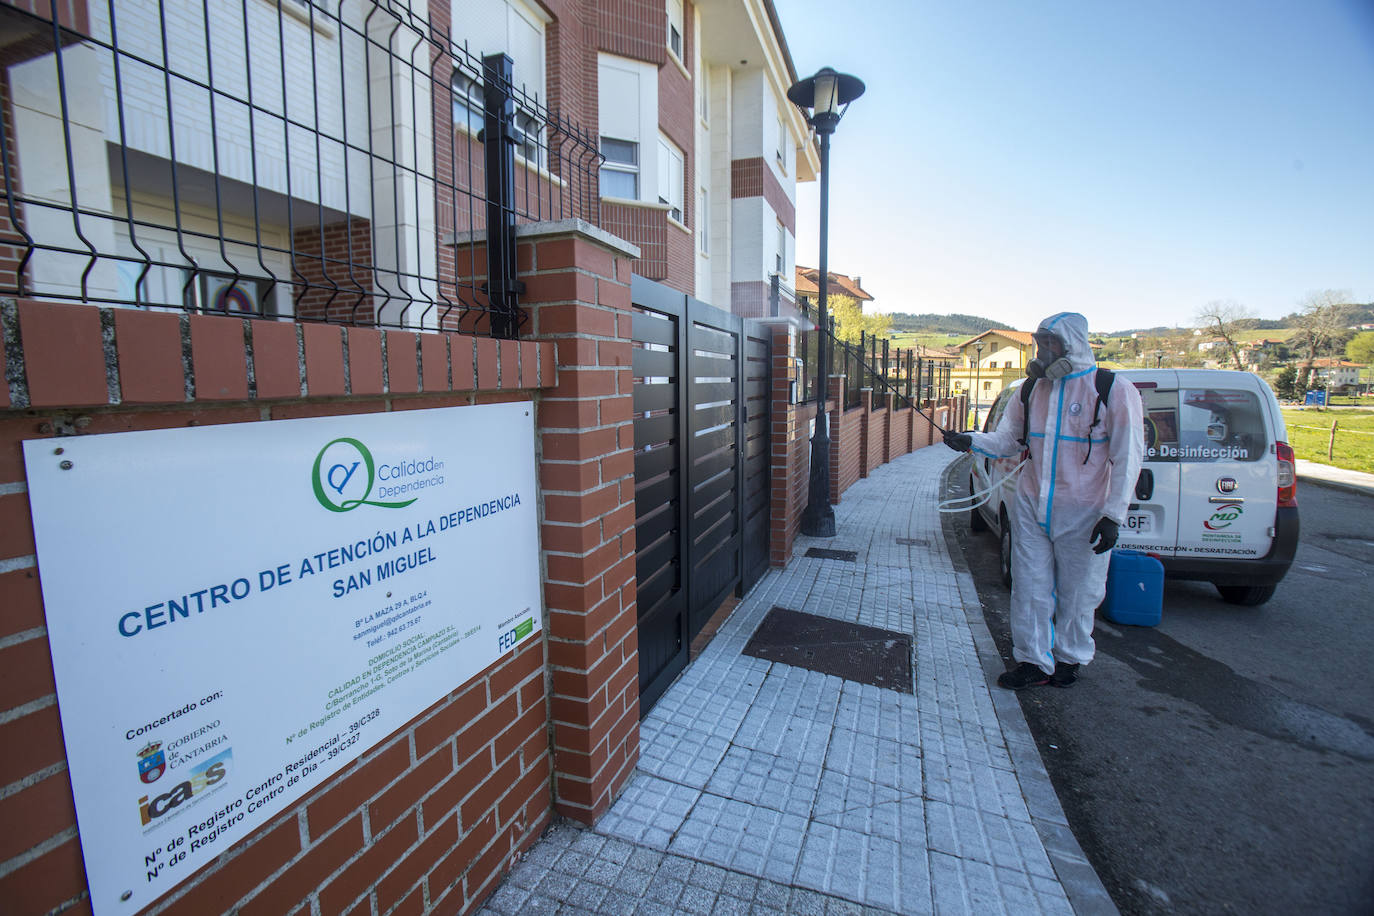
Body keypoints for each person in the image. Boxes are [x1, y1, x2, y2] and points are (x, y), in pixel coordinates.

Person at [943, 313, 1144, 689]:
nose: (1044, 351)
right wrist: (971, 440)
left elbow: (1127, 457)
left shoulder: (1112, 390)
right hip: (1032, 505)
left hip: (1084, 510)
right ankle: (1033, 661)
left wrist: (1114, 515)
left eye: (1052, 343)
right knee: (1029, 587)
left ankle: (1069, 658)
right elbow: (1008, 440)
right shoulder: (1031, 391)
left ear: (1073, 346)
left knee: (1080, 592)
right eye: (1040, 342)